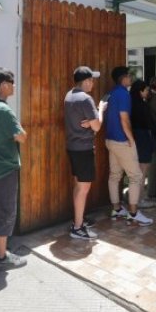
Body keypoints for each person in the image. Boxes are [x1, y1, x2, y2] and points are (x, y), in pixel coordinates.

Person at [0, 67, 28, 270]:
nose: (14, 86)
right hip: (5, 168)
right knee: (4, 211)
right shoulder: (3, 109)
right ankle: (2, 258)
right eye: (11, 83)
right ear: (3, 85)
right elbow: (22, 136)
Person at [105, 66, 153, 226]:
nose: (131, 78)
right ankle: (133, 213)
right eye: (129, 75)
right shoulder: (124, 94)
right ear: (123, 78)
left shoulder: (110, 93)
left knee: (114, 175)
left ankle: (117, 209)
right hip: (122, 141)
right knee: (136, 176)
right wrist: (131, 139)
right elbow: (124, 119)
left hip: (110, 140)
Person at [64, 66, 106, 240]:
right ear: (86, 81)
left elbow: (89, 123)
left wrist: (90, 122)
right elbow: (97, 126)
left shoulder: (69, 95)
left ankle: (78, 220)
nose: (93, 83)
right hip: (84, 148)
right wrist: (101, 109)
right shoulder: (86, 99)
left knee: (78, 186)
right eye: (91, 80)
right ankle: (78, 227)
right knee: (83, 188)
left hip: (73, 147)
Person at [130, 79, 156, 208]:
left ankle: (133, 198)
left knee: (134, 172)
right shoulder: (143, 105)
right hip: (143, 138)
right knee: (142, 171)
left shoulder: (129, 103)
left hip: (132, 138)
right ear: (140, 91)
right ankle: (139, 200)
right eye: (146, 90)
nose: (147, 92)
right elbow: (150, 124)